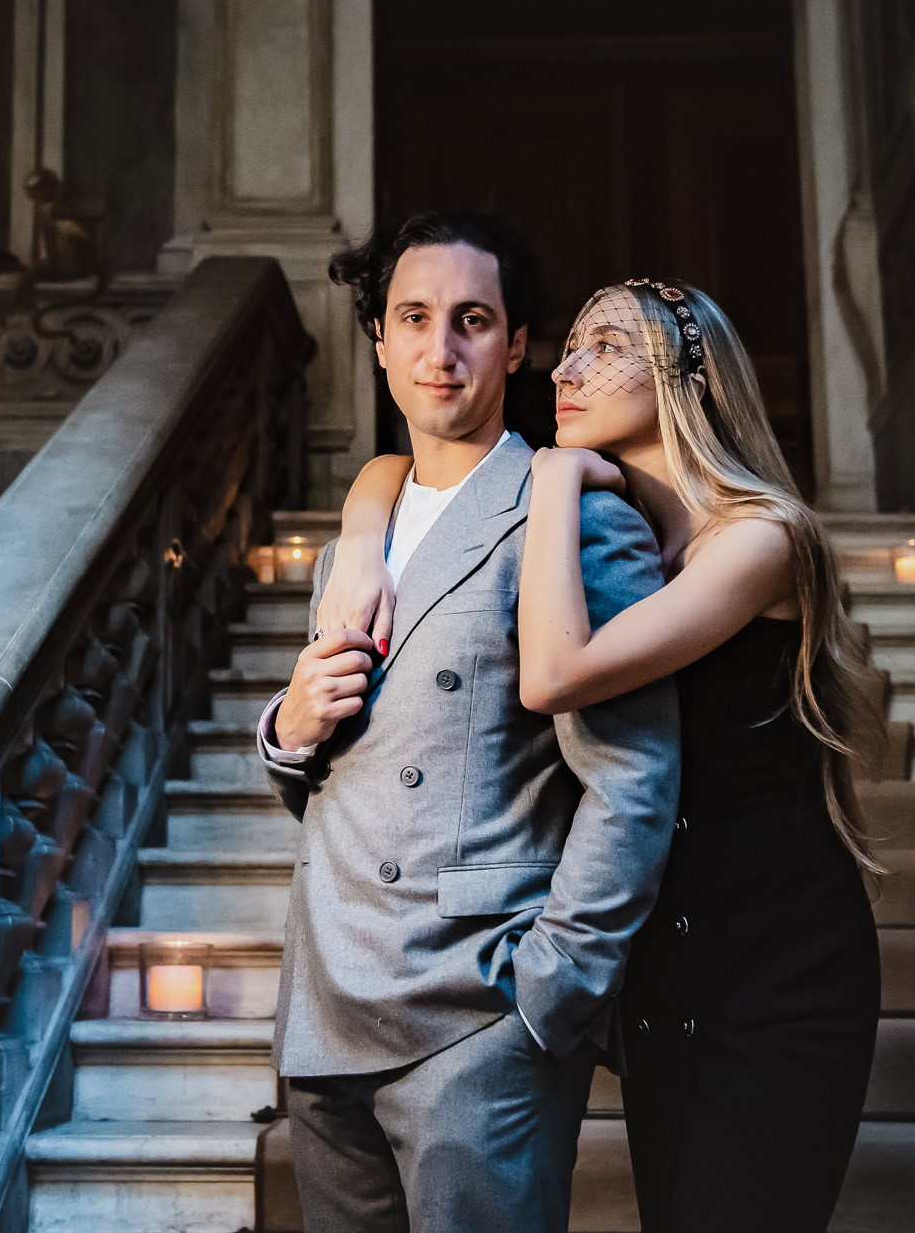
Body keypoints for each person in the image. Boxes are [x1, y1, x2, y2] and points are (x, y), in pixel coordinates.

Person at [319, 278, 884, 1232]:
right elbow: (394, 471)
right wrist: (365, 519)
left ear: (690, 376)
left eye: (609, 347)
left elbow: (552, 674)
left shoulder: (762, 538)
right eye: (569, 347)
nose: (568, 369)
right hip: (663, 964)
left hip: (781, 963)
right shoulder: (618, 534)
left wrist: (551, 478)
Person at [257, 213, 681, 1233]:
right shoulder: (355, 537)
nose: (438, 349)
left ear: (518, 344)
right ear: (380, 341)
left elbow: (635, 776)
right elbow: (353, 760)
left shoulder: (576, 514)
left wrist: (551, 994)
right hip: (325, 1000)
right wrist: (288, 727)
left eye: (472, 319)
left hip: (479, 1016)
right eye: (413, 316)